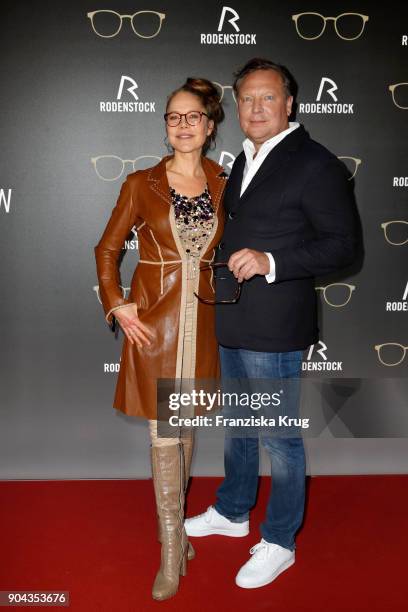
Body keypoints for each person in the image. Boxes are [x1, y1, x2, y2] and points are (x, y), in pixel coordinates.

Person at [185, 58, 357, 589]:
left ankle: (280, 540)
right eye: (247, 99)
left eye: (268, 98)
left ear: (289, 104)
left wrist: (272, 262)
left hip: (276, 324)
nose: (256, 108)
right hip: (235, 317)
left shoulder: (316, 163)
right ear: (237, 106)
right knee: (239, 427)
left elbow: (344, 247)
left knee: (279, 438)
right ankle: (234, 511)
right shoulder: (246, 156)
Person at [94, 78, 226, 601]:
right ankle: (171, 550)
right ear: (166, 125)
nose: (183, 124)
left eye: (193, 116)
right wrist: (117, 303)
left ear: (211, 125)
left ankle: (176, 536)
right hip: (156, 323)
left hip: (206, 323)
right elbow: (106, 250)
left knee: (184, 424)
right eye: (174, 116)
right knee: (163, 433)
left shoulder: (225, 180)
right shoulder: (141, 183)